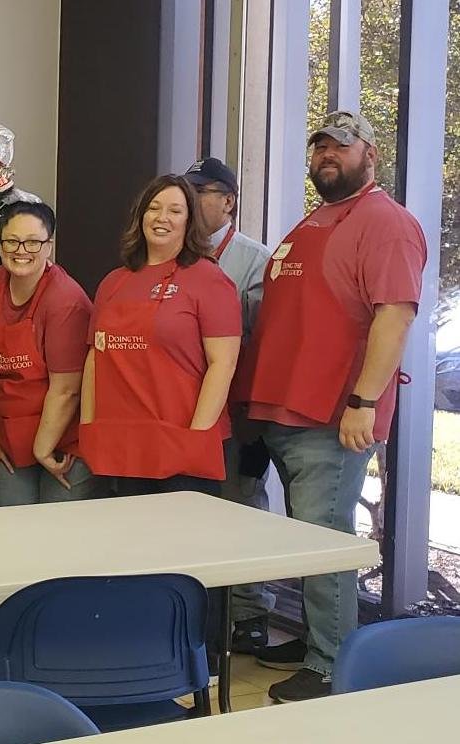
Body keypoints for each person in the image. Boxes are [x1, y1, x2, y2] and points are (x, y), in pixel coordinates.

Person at [235, 111, 425, 702]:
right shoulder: (315, 220)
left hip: (334, 416)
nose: (327, 155)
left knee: (326, 534)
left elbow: (395, 315)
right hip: (287, 411)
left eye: (340, 146)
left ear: (369, 152)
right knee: (308, 536)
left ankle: (333, 663)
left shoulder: (386, 223)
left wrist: (364, 401)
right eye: (319, 145)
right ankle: (322, 636)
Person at [79, 174, 241, 496]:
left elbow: (223, 364)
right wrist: (88, 426)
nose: (162, 218)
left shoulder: (209, 280)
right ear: (141, 216)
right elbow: (96, 359)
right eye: (153, 208)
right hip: (120, 447)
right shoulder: (113, 283)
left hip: (180, 450)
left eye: (175, 210)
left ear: (189, 220)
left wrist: (196, 437)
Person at [182, 156, 277, 653]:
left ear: (228, 201)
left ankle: (249, 612)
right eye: (187, 192)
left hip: (236, 409)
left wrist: (255, 413)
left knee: (243, 504)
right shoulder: (173, 258)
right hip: (181, 406)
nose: (192, 202)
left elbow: (265, 341)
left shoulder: (254, 261)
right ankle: (196, 610)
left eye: (202, 193)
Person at [0, 201, 101, 505]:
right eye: (12, 241)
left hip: (63, 439)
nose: (21, 250)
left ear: (49, 246)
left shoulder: (65, 301)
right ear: (0, 243)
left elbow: (66, 390)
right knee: (14, 533)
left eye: (33, 242)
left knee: (58, 535)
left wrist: (42, 449)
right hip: (6, 436)